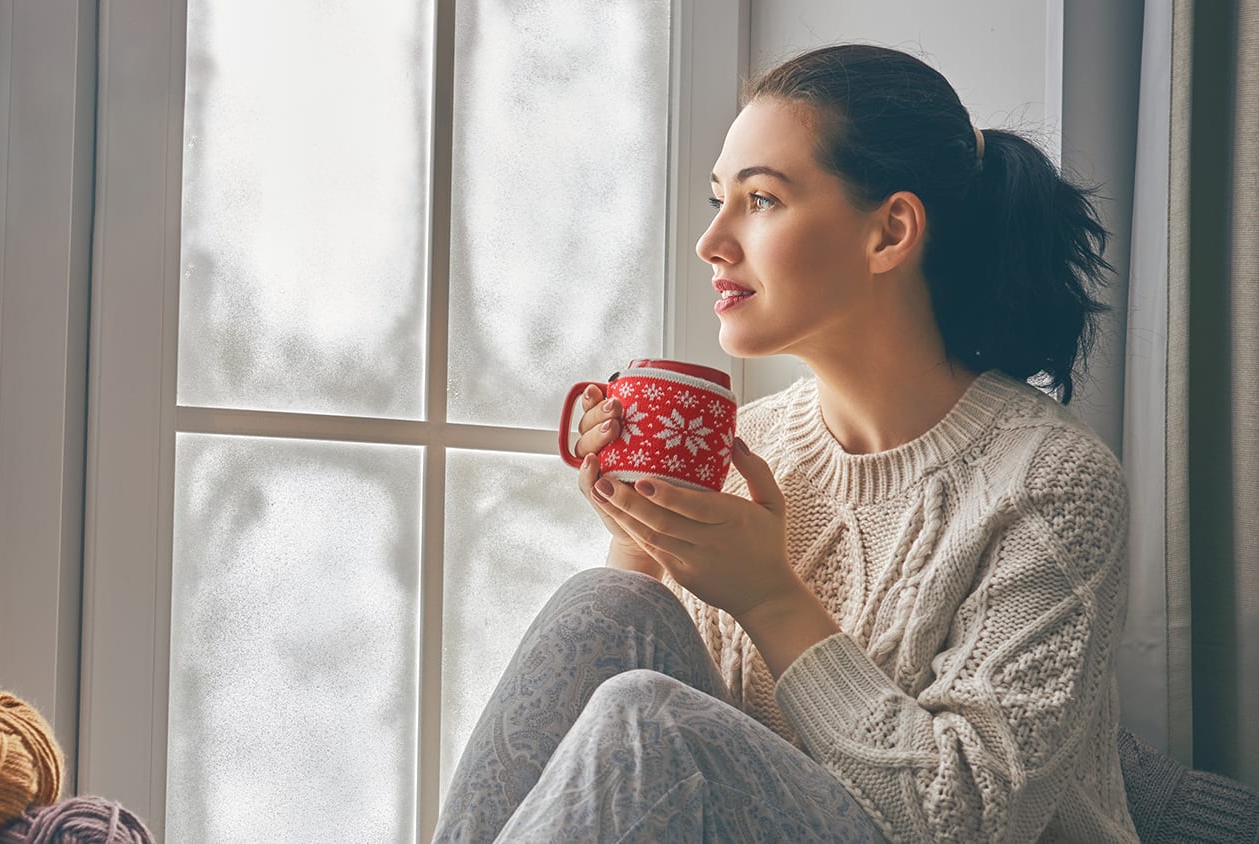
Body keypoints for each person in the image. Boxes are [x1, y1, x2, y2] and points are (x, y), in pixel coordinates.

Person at [435, 44, 1137, 843]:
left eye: (760, 200)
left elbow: (969, 815)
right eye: (716, 198)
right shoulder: (751, 443)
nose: (712, 241)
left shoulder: (1052, 480)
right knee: (607, 604)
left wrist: (768, 597)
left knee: (651, 722)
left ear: (891, 232)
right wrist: (637, 537)